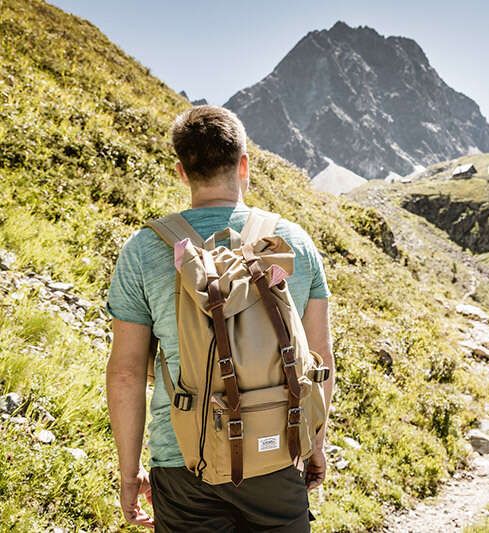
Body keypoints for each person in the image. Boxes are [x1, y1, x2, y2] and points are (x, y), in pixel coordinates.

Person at [105, 105, 334, 531]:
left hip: (183, 461)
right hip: (278, 451)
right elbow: (319, 358)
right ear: (243, 164)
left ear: (181, 171)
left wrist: (129, 471)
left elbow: (126, 373)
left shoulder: (143, 250)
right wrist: (315, 443)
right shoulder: (293, 244)